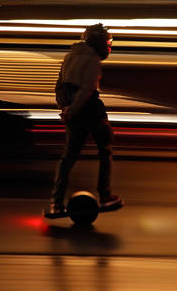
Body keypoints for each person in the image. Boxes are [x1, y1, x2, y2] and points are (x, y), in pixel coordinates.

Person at [45, 23, 123, 217]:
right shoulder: (93, 59)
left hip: (72, 108)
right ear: (99, 42)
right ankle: (105, 195)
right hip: (90, 108)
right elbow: (87, 89)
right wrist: (73, 109)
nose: (108, 47)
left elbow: (59, 86)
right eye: (107, 42)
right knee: (105, 148)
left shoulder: (69, 56)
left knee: (69, 155)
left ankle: (56, 203)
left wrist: (66, 109)